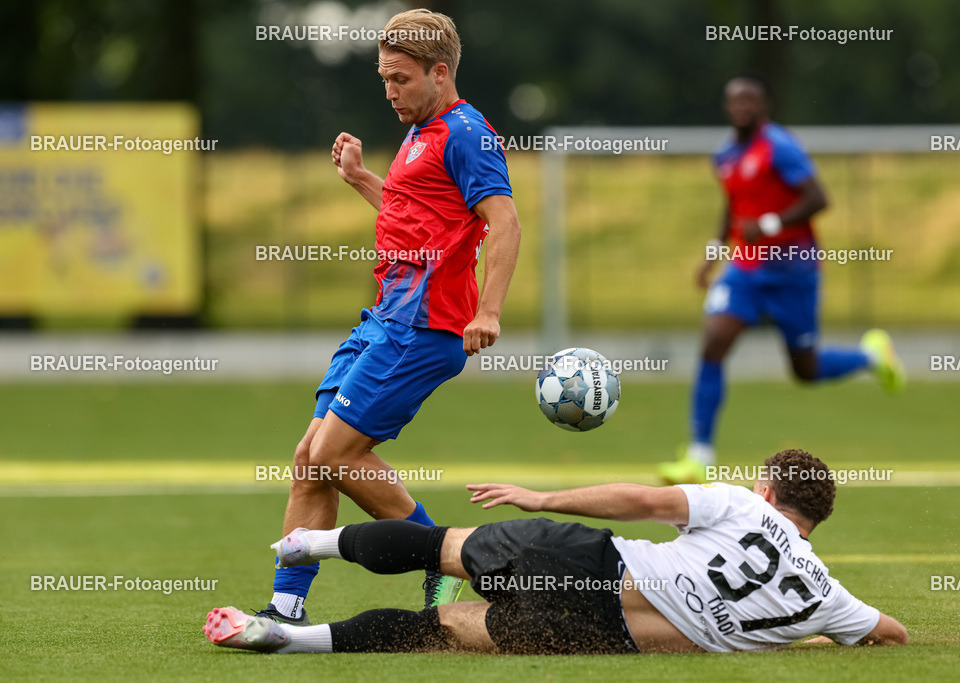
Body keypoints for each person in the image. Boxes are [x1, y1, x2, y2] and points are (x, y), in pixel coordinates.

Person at [257, 8, 522, 625]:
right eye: (384, 78)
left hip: (423, 327)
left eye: (401, 79)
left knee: (330, 454)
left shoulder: (467, 134)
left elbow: (505, 222)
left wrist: (488, 311)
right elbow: (414, 217)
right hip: (385, 319)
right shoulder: (420, 130)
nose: (389, 91)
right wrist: (358, 179)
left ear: (440, 72)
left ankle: (445, 558)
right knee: (310, 457)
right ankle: (285, 606)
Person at [205, 449, 907, 654]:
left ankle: (309, 542)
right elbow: (890, 634)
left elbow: (642, 500)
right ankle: (292, 640)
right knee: (437, 630)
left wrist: (542, 498)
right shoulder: (825, 597)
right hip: (604, 634)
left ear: (769, 490)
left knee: (440, 547)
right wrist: (814, 635)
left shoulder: (745, 504)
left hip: (590, 561)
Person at [659, 74, 905, 485]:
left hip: (793, 270)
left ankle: (872, 356)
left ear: (763, 106)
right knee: (714, 343)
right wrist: (713, 253)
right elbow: (733, 207)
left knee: (805, 369)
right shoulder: (725, 155)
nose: (742, 107)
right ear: (727, 107)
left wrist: (770, 223)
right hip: (746, 269)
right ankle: (698, 456)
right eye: (735, 100)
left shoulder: (780, 146)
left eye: (750, 100)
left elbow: (818, 198)